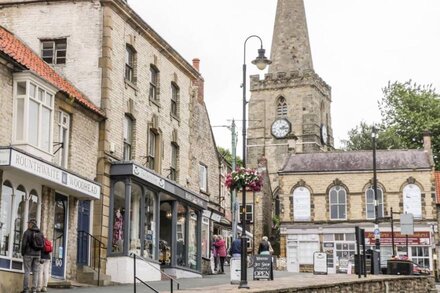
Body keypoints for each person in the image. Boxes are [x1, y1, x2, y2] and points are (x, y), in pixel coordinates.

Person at [21, 219, 41, 293]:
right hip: (37, 255)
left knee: (27, 271)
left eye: (28, 223)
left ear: (31, 224)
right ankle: (34, 289)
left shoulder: (27, 232)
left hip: (28, 254)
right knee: (36, 272)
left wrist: (23, 253)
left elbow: (24, 244)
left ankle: (26, 289)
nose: (28, 224)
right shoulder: (40, 232)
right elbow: (42, 245)